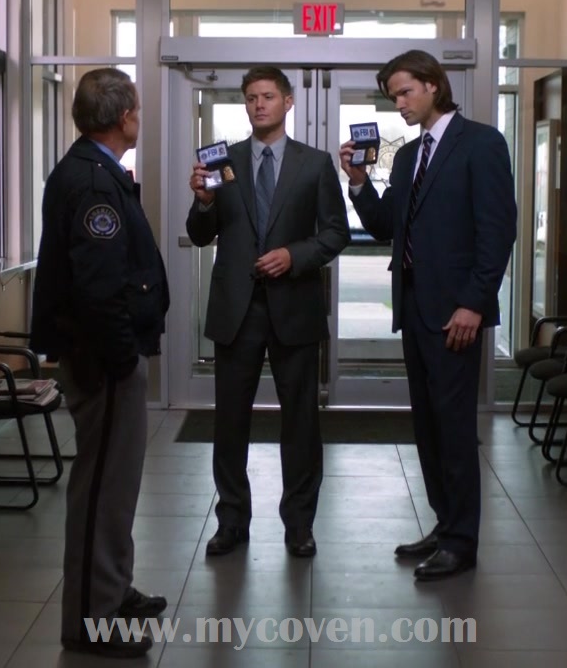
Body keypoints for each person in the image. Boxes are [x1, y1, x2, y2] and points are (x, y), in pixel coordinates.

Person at [342, 50, 516, 581]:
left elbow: (497, 231)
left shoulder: (482, 143)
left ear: (434, 85)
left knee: (455, 429)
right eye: (393, 96)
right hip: (415, 309)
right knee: (428, 427)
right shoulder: (407, 155)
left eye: (405, 92)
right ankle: (445, 524)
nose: (399, 104)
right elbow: (385, 227)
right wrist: (358, 181)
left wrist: (474, 303)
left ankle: (462, 542)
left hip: (456, 312)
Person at [29, 67, 170, 659]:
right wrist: (121, 359)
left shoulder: (93, 170)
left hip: (105, 355)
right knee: (101, 490)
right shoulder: (93, 181)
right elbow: (98, 287)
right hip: (103, 361)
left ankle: (111, 590)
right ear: (124, 117)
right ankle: (94, 620)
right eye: (136, 109)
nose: (139, 117)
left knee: (116, 487)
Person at [187, 66, 350, 559]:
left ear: (287, 102)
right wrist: (203, 203)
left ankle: (299, 524)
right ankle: (232, 521)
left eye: (268, 97)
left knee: (300, 422)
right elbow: (200, 234)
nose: (259, 105)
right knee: (229, 423)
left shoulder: (314, 164)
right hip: (236, 310)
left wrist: (293, 256)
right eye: (251, 98)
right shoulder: (222, 160)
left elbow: (335, 233)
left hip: (293, 307)